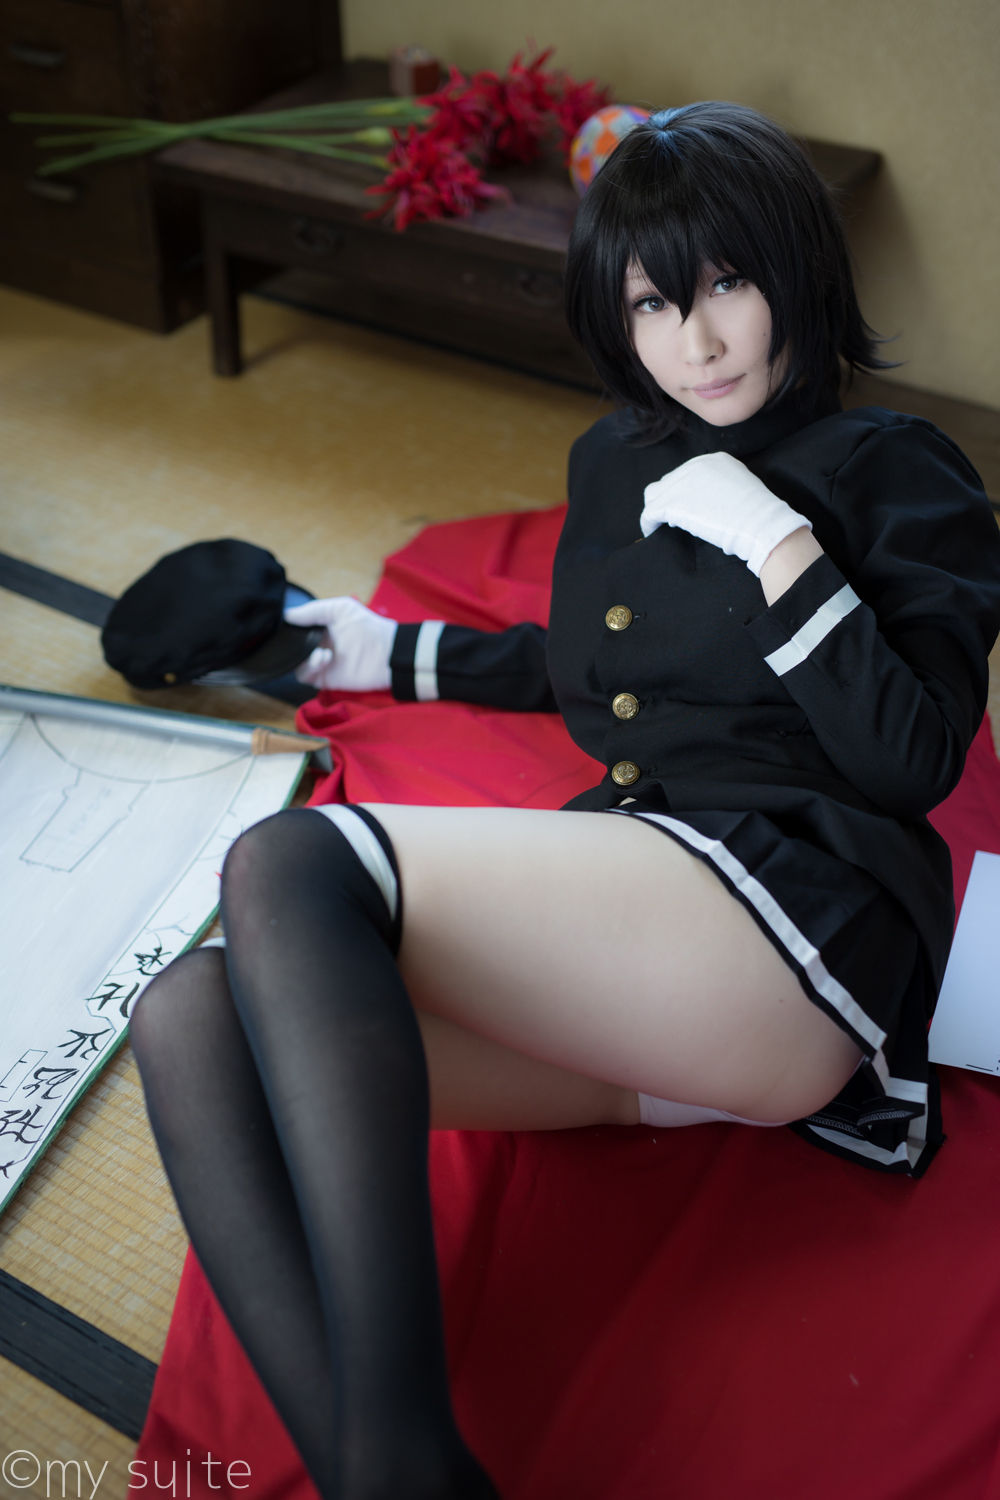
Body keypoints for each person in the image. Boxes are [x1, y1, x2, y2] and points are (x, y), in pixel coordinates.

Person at [129, 101, 1000, 1499]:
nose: (697, 341)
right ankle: (382, 1477)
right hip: (655, 979)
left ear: (798, 272)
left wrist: (778, 546)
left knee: (292, 863)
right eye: (654, 303)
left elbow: (915, 760)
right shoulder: (620, 461)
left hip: (796, 925)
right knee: (189, 1016)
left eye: (728, 283)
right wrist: (391, 654)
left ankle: (402, 1447)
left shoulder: (900, 470)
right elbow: (599, 666)